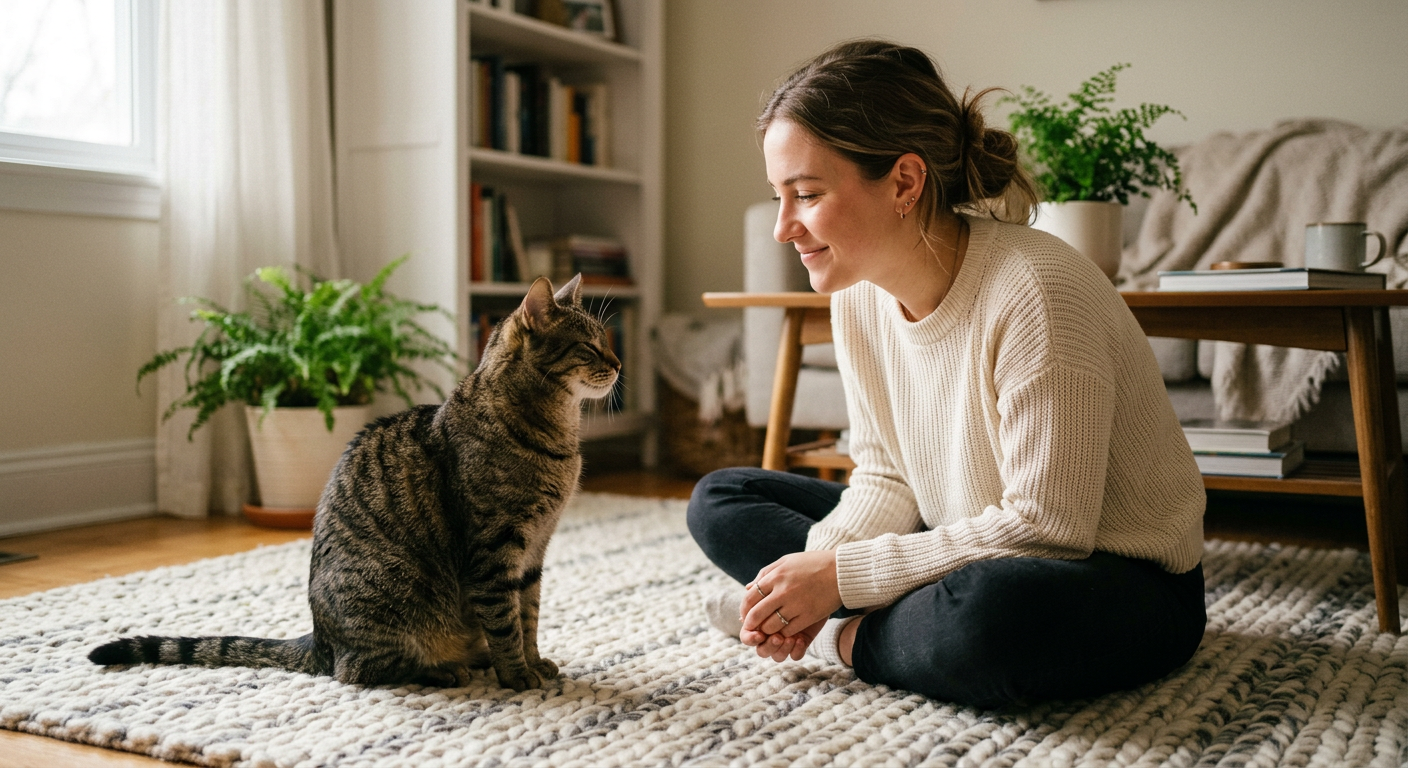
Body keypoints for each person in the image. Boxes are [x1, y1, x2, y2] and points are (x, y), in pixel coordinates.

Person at [686, 39, 1207, 709]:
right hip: (957, 537)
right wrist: (818, 572)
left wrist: (840, 584)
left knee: (985, 621)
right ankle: (874, 622)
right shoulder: (857, 293)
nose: (786, 227)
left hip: (1109, 576)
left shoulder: (1037, 289)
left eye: (807, 194)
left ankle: (839, 641)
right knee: (722, 500)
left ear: (904, 182)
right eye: (778, 197)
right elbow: (885, 474)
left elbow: (1048, 528)